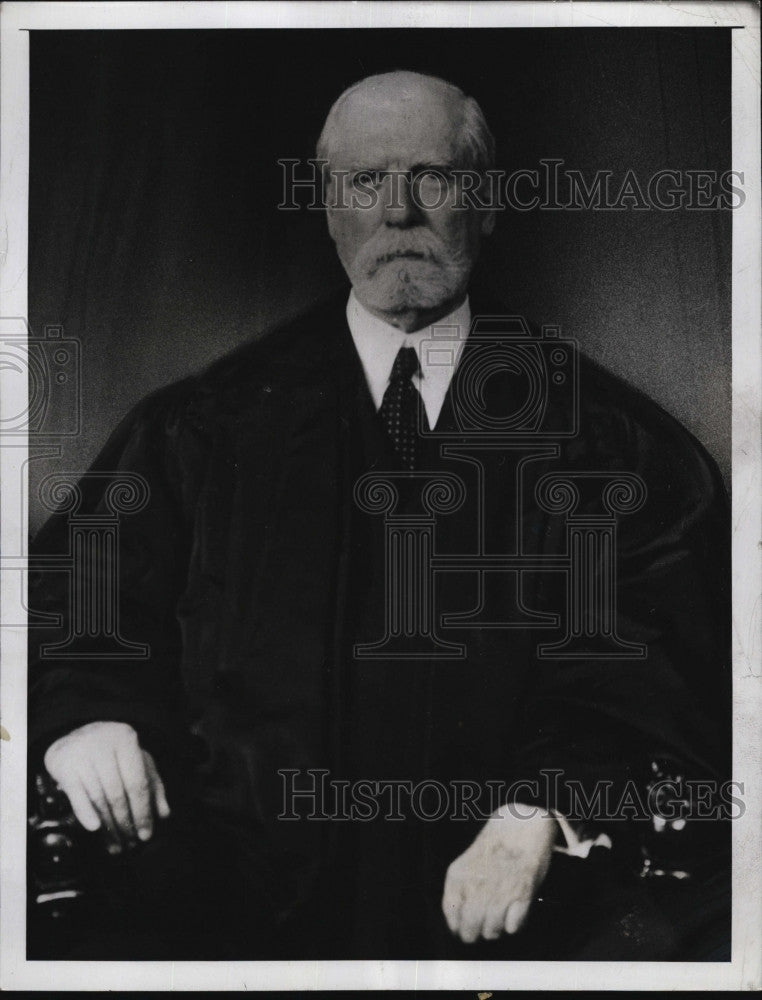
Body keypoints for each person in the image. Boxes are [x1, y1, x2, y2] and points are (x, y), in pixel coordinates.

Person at [28, 71, 731, 960]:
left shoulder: (613, 446)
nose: (399, 214)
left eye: (433, 178)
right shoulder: (211, 424)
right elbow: (81, 596)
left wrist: (545, 810)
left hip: (512, 912)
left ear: (488, 203)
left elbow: (648, 661)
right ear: (328, 209)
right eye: (365, 183)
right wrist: (87, 715)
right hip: (239, 913)